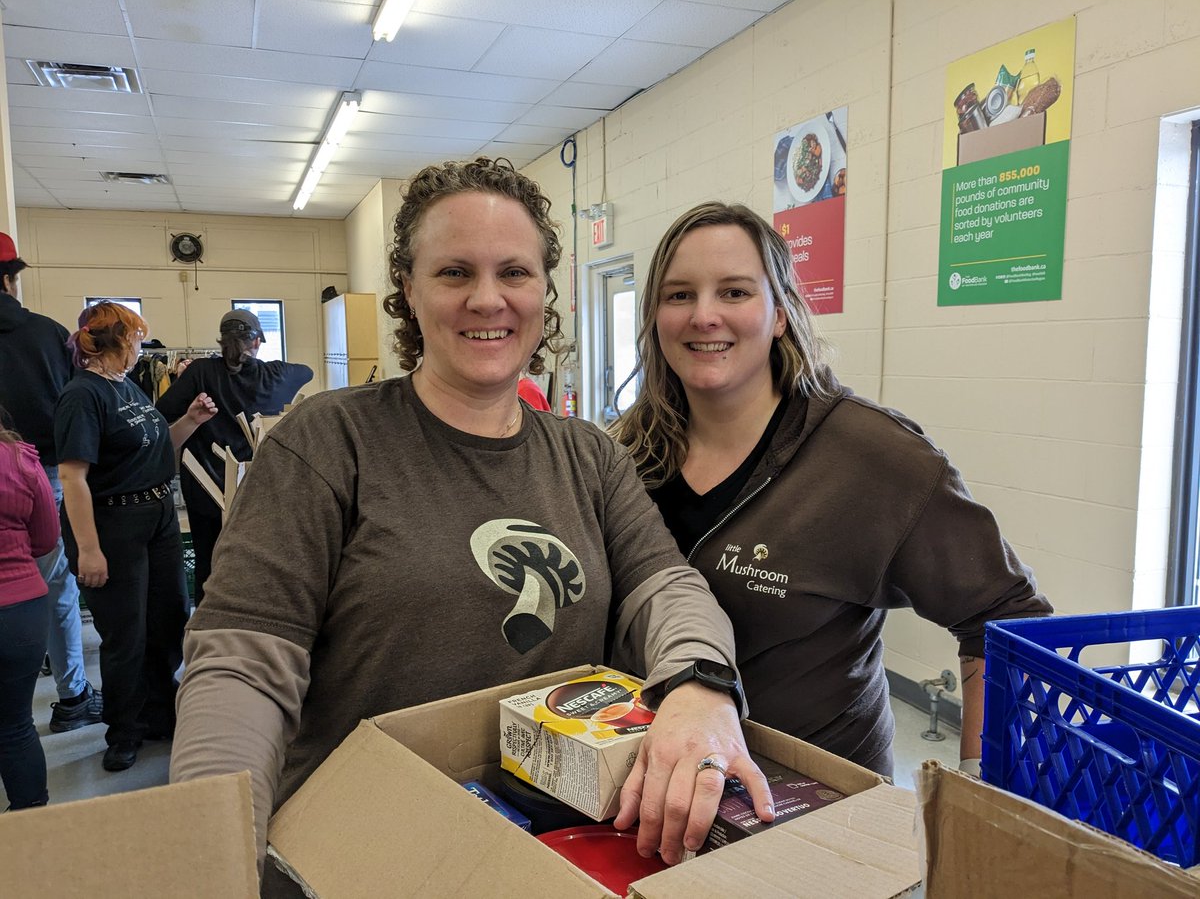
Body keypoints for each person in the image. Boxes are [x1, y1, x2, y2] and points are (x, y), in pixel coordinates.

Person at [170, 159, 773, 886]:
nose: (487, 299)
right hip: (362, 855)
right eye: (455, 272)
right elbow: (243, 665)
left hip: (548, 849)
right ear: (409, 290)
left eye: (513, 273)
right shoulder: (329, 441)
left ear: (543, 290)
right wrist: (209, 850)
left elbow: (666, 589)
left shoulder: (588, 458)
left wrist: (702, 689)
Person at [611, 202, 1054, 778]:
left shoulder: (872, 455)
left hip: (813, 803)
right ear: (655, 317)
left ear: (779, 313)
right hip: (651, 786)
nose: (704, 315)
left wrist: (982, 792)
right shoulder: (629, 451)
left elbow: (1008, 619)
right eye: (679, 295)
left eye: (736, 292)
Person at [55, 301, 217, 773]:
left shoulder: (125, 386)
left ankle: (159, 714)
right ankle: (123, 731)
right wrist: (88, 549)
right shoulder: (83, 396)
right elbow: (73, 478)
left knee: (168, 620)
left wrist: (190, 421)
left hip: (159, 518)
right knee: (125, 635)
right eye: (138, 339)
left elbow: (155, 448)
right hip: (114, 526)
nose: (142, 347)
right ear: (118, 341)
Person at [0, 231, 102, 733]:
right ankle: (73, 698)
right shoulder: (48, 333)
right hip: (40, 474)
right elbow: (74, 403)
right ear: (9, 280)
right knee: (55, 585)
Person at [157, 309, 312, 606]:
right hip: (256, 488)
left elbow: (162, 414)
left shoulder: (200, 372)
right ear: (256, 342)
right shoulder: (275, 374)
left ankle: (209, 632)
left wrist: (186, 378)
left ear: (221, 340)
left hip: (205, 486)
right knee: (256, 560)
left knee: (209, 560)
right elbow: (307, 371)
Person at [0, 408, 59, 810]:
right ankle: (32, 828)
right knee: (16, 725)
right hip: (20, 609)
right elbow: (46, 539)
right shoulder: (21, 459)